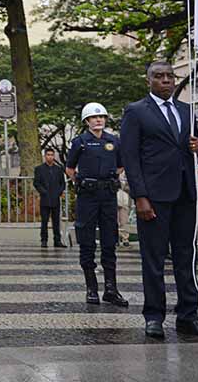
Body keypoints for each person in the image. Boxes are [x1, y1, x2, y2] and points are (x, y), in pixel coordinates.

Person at [120, 61, 198, 338]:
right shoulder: (136, 111)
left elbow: (196, 149)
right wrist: (140, 196)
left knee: (187, 257)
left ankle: (189, 315)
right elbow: (130, 157)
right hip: (154, 197)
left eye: (169, 76)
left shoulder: (186, 111)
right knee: (153, 259)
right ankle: (154, 316)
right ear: (148, 80)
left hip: (185, 194)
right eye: (159, 76)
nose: (166, 80)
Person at [65, 103, 128, 307]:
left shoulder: (114, 141)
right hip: (87, 196)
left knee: (110, 240)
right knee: (87, 240)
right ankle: (91, 288)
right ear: (87, 121)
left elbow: (120, 165)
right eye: (94, 117)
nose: (98, 120)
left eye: (101, 117)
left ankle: (111, 289)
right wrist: (84, 182)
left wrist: (106, 180)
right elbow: (69, 168)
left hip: (108, 194)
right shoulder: (80, 142)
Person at [33, 148, 67, 248]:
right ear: (45, 156)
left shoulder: (58, 169)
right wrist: (43, 192)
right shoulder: (39, 169)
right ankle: (44, 240)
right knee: (44, 221)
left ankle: (57, 240)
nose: (50, 157)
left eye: (52, 155)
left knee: (56, 221)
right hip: (45, 198)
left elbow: (62, 183)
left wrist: (59, 192)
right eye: (48, 155)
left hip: (55, 198)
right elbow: (36, 183)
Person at [116, 175, 132, 247]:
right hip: (114, 196)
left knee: (124, 220)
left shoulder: (126, 170)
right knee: (113, 219)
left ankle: (125, 238)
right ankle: (115, 238)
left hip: (125, 197)